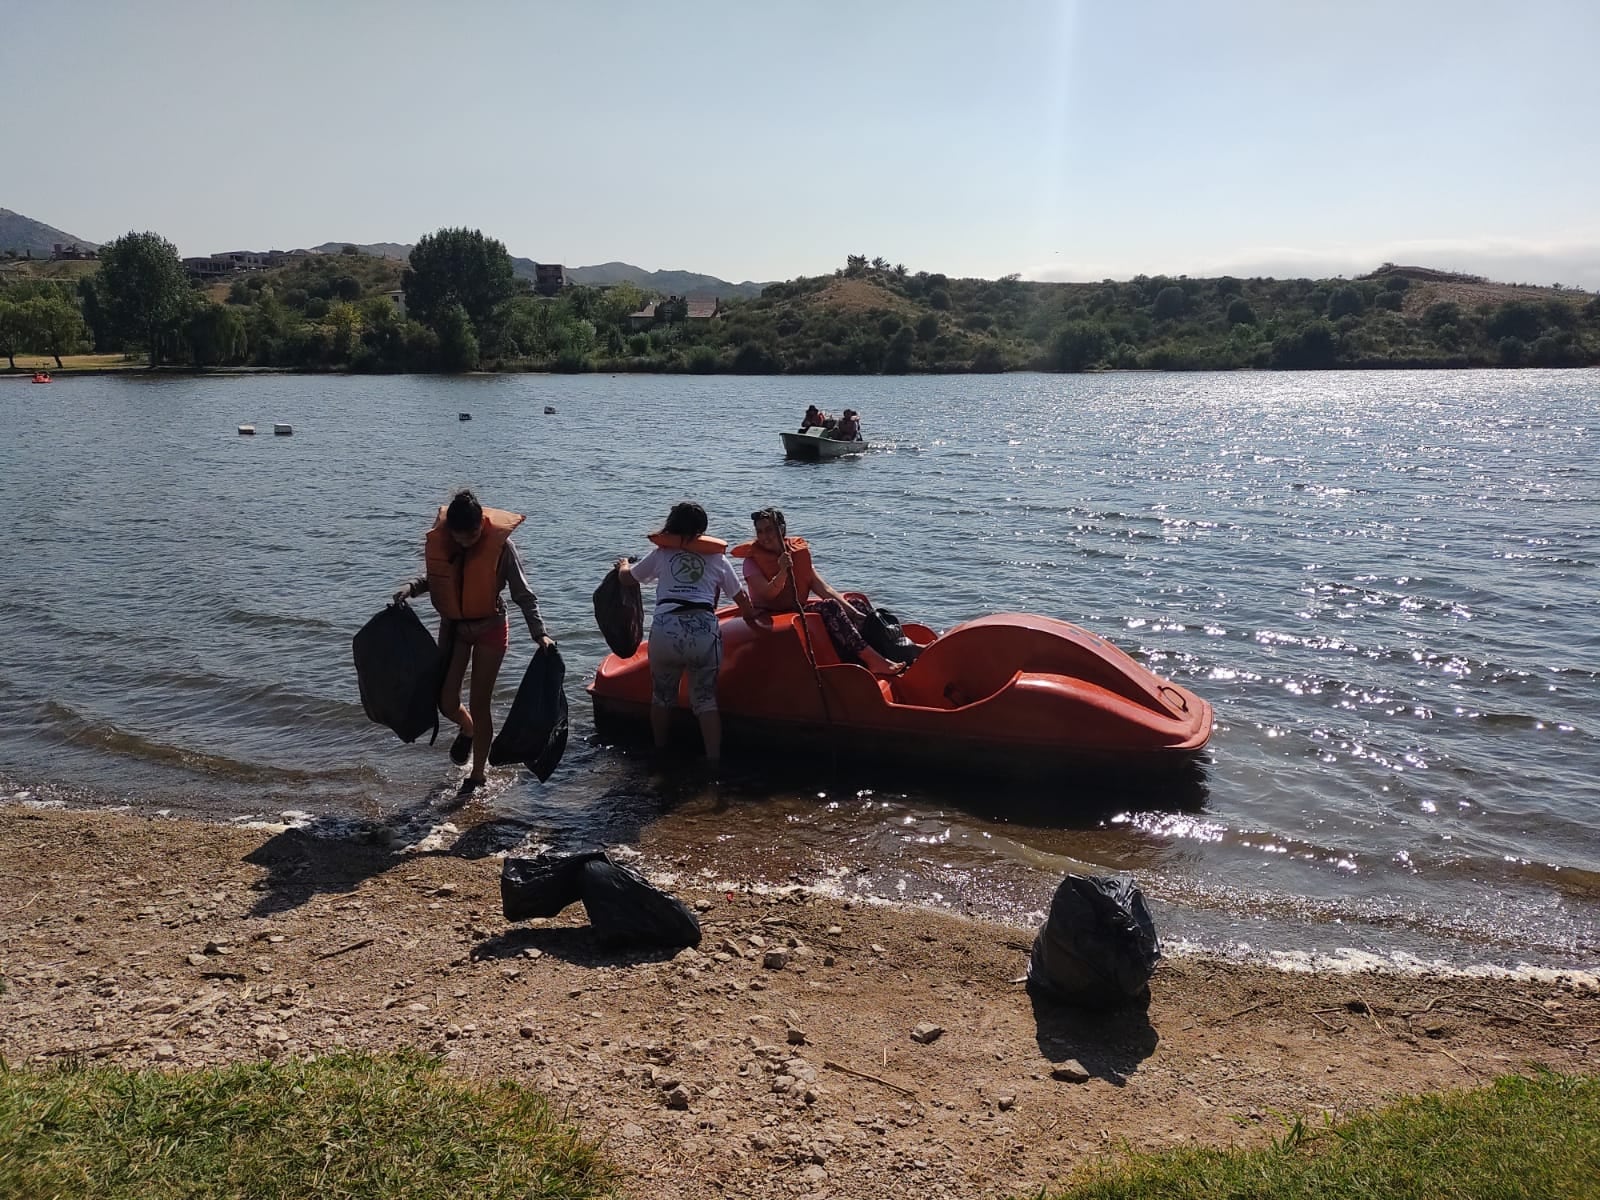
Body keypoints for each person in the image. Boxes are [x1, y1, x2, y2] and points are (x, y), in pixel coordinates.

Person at [393, 489, 554, 797]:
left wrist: (540, 633)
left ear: (482, 523)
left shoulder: (503, 548)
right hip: (455, 628)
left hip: (490, 628)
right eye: (460, 537)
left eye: (472, 535)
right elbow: (435, 579)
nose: (466, 541)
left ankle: (478, 774)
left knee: (481, 704)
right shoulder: (448, 543)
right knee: (446, 700)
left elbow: (523, 594)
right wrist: (410, 588)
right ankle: (467, 729)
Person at [616, 501, 769, 764]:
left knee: (662, 697)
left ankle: (661, 752)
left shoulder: (661, 554)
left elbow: (628, 579)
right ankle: (713, 761)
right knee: (706, 701)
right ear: (703, 529)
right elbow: (741, 598)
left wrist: (622, 566)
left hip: (666, 631)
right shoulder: (716, 557)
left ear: (671, 525)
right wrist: (753, 616)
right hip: (702, 632)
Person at [732, 507, 905, 678]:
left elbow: (822, 587)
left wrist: (854, 613)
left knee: (855, 603)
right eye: (759, 531)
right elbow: (767, 594)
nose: (764, 536)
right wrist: (783, 571)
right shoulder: (751, 561)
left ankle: (895, 648)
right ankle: (872, 659)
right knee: (829, 607)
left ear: (781, 529)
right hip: (771, 615)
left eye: (769, 530)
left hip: (795, 607)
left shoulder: (796, 552)